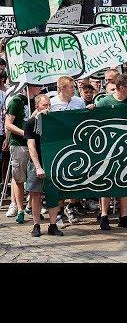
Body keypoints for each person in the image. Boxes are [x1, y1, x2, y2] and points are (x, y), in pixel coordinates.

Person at [94, 71, 127, 230]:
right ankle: (104, 216)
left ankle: (123, 216)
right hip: (107, 149)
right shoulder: (104, 102)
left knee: (125, 181)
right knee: (105, 183)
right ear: (121, 87)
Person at [23, 94, 64, 237]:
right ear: (37, 106)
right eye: (44, 105)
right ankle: (36, 225)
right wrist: (38, 166)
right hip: (37, 163)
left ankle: (53, 225)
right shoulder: (30, 123)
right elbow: (31, 147)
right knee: (35, 194)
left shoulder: (54, 121)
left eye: (49, 105)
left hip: (53, 163)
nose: (47, 108)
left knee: (54, 194)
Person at [50, 76, 86, 225]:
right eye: (71, 87)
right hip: (58, 145)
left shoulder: (79, 101)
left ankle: (72, 206)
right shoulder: (52, 103)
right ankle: (58, 210)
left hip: (75, 144)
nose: (74, 89)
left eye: (74, 87)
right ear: (62, 89)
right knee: (60, 177)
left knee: (75, 175)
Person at [5, 84, 41, 224]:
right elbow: (8, 123)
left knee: (34, 178)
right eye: (37, 85)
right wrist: (25, 134)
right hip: (19, 145)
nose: (40, 87)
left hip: (34, 145)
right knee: (19, 178)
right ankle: (19, 209)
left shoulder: (36, 100)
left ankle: (30, 207)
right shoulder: (16, 101)